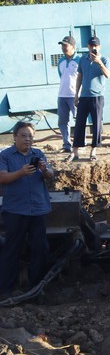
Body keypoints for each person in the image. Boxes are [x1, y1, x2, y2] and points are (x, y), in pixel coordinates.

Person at [0, 122, 55, 298]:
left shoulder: (38, 154)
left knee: (40, 248)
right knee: (12, 249)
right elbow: (2, 178)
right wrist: (20, 173)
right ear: (15, 137)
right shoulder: (5, 155)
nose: (27, 139)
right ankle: (5, 290)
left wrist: (45, 171)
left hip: (38, 209)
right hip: (15, 210)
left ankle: (36, 288)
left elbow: (50, 175)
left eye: (30, 136)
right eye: (23, 135)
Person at [70, 36, 110, 161]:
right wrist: (76, 94)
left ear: (99, 47)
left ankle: (94, 150)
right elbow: (79, 77)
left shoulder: (104, 59)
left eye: (96, 46)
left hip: (97, 96)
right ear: (88, 46)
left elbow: (108, 75)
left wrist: (99, 62)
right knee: (79, 123)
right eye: (91, 45)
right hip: (84, 96)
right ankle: (75, 152)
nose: (94, 48)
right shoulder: (82, 59)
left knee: (97, 123)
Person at [57, 35, 79, 153]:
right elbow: (62, 77)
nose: (63, 47)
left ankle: (80, 143)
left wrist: (78, 94)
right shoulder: (61, 61)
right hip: (62, 95)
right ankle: (66, 144)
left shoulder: (79, 60)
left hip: (75, 95)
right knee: (63, 121)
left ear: (73, 47)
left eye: (66, 45)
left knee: (79, 120)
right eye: (62, 45)